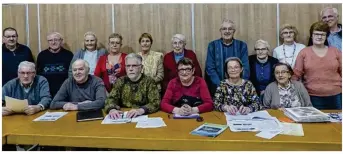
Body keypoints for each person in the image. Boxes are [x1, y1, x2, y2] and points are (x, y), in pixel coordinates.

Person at [293, 21, 341, 110]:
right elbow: (296, 74)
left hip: (336, 96)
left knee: (338, 123)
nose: (319, 37)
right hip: (313, 97)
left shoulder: (335, 52)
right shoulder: (304, 53)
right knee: (317, 123)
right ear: (312, 36)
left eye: (322, 34)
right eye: (316, 34)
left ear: (326, 36)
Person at [105, 53, 160, 119]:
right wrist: (112, 109)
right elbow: (110, 99)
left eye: (134, 66)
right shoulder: (120, 81)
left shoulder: (149, 81)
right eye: (128, 66)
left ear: (141, 68)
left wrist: (140, 110)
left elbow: (155, 102)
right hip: (123, 116)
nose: (130, 69)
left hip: (142, 116)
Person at [205, 19, 250, 96]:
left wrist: (239, 85)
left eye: (230, 29)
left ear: (234, 31)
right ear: (220, 31)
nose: (227, 31)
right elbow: (210, 68)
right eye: (224, 29)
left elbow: (245, 67)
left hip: (239, 88)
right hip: (217, 86)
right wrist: (221, 85)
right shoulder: (212, 45)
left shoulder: (242, 45)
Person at [36, 32, 74, 97]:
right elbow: (38, 74)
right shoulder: (42, 55)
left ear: (61, 41)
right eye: (50, 40)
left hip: (64, 91)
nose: (53, 42)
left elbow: (72, 74)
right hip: (46, 91)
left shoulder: (69, 55)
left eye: (56, 40)